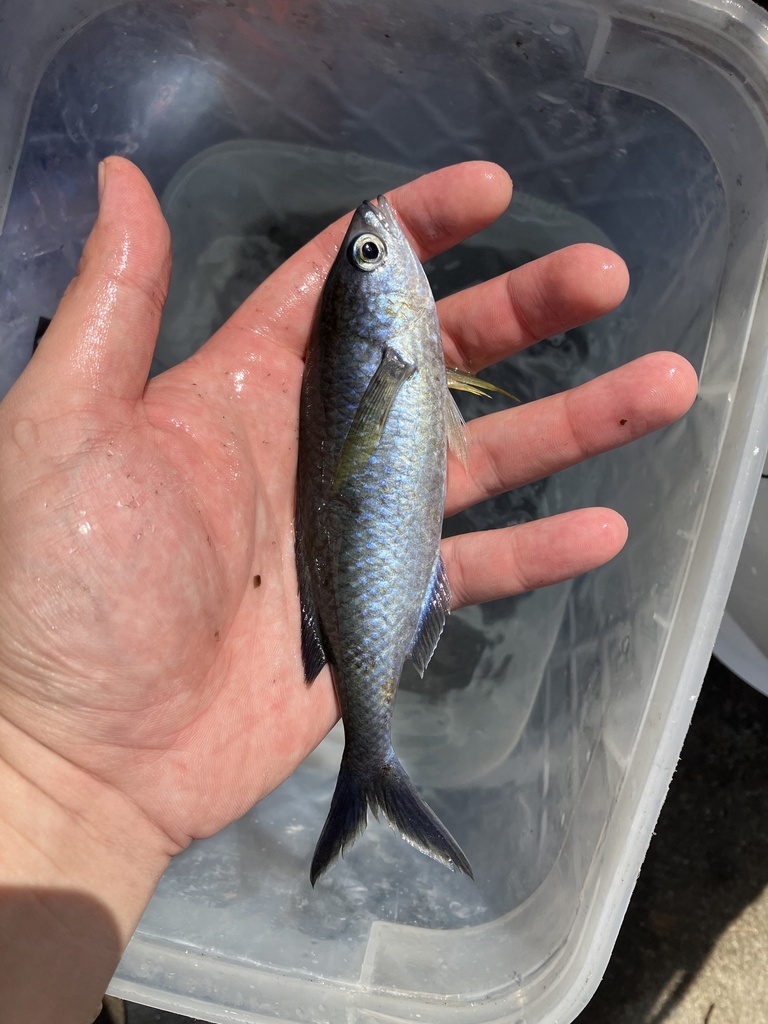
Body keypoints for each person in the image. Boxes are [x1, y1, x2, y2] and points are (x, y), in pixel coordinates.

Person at [0, 156, 697, 1022]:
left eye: (363, 254)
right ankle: (374, 769)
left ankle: (370, 772)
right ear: (371, 311)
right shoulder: (393, 356)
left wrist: (32, 777)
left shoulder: (389, 357)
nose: (381, 240)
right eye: (372, 258)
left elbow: (378, 430)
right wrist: (35, 765)